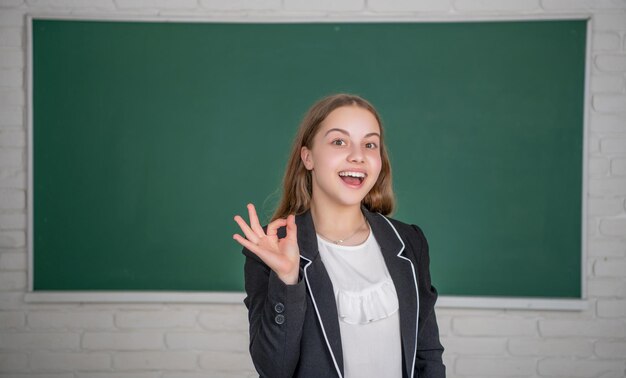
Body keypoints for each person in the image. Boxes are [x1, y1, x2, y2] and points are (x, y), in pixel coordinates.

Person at [233, 94, 445, 378]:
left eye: (370, 144)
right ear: (307, 157)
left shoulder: (408, 242)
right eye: (339, 141)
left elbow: (427, 355)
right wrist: (287, 280)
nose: (358, 155)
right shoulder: (273, 250)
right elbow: (274, 369)